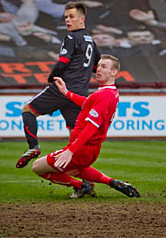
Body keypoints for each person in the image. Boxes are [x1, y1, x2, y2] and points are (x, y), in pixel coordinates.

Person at [32, 54, 140, 198]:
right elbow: (87, 103)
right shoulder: (111, 92)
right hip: (92, 149)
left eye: (104, 67)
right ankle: (110, 181)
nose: (98, 70)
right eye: (98, 66)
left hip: (80, 148)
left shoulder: (103, 95)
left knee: (38, 167)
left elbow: (91, 127)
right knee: (74, 170)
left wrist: (71, 150)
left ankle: (81, 186)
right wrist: (66, 93)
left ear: (114, 72)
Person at [16, 1, 100, 168]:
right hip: (79, 94)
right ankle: (86, 182)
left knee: (28, 110)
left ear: (81, 19)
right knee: (75, 138)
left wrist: (52, 78)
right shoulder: (91, 41)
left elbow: (62, 63)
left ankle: (33, 147)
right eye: (66, 17)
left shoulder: (70, 37)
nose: (67, 20)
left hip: (62, 88)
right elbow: (96, 67)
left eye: (71, 17)